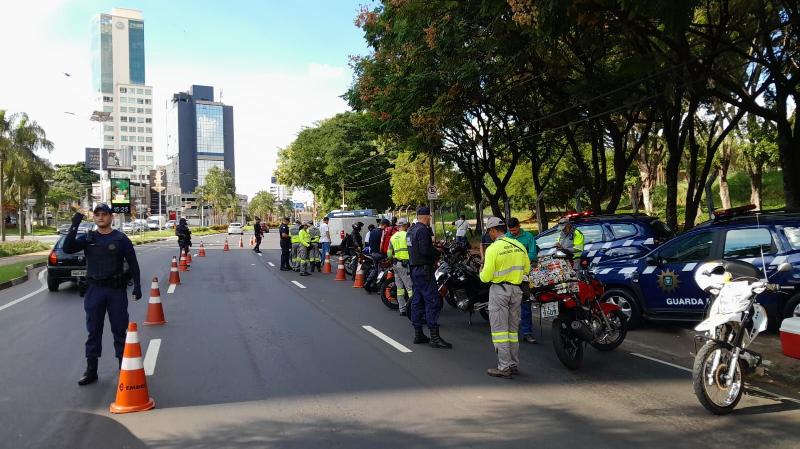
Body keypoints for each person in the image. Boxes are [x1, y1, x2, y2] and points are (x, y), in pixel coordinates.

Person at [63, 204, 142, 386]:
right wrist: (76, 222)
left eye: (104, 214)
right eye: (97, 214)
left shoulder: (121, 239)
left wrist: (137, 286)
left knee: (119, 330)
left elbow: (133, 263)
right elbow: (67, 248)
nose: (100, 217)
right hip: (94, 290)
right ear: (94, 217)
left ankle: (124, 369)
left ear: (111, 217)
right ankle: (91, 371)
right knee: (93, 331)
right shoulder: (88, 238)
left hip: (116, 291)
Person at [480, 216, 530, 378]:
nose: (489, 234)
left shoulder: (493, 249)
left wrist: (481, 272)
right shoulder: (519, 245)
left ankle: (504, 367)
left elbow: (486, 277)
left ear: (493, 230)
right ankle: (513, 364)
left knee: (500, 332)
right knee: (512, 331)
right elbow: (527, 269)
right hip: (517, 291)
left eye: (489, 231)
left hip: (499, 291)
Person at [408, 206, 452, 349]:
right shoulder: (422, 230)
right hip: (424, 271)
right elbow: (425, 250)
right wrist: (437, 252)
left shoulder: (410, 230)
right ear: (427, 216)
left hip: (414, 269)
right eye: (429, 217)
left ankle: (418, 334)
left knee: (417, 301)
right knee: (433, 301)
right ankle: (434, 337)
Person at [505, 217, 538, 344]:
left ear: (519, 226)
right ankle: (510, 333)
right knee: (509, 306)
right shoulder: (506, 238)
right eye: (511, 230)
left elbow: (533, 254)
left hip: (524, 276)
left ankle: (527, 333)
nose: (512, 232)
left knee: (525, 304)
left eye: (514, 230)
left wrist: (517, 259)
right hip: (508, 276)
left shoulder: (528, 237)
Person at [388, 218, 412, 316]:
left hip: (396, 264)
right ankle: (413, 308)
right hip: (405, 265)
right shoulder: (407, 235)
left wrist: (392, 259)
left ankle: (402, 309)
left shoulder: (393, 237)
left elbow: (389, 253)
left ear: (398, 226)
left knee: (400, 288)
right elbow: (412, 249)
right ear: (406, 225)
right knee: (410, 288)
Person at [365, 219, 389, 287]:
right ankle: (380, 286)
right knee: (381, 270)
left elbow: (369, 242)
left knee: (375, 269)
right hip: (380, 254)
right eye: (387, 226)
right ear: (384, 225)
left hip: (373, 253)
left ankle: (367, 282)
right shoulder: (383, 232)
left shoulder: (372, 231)